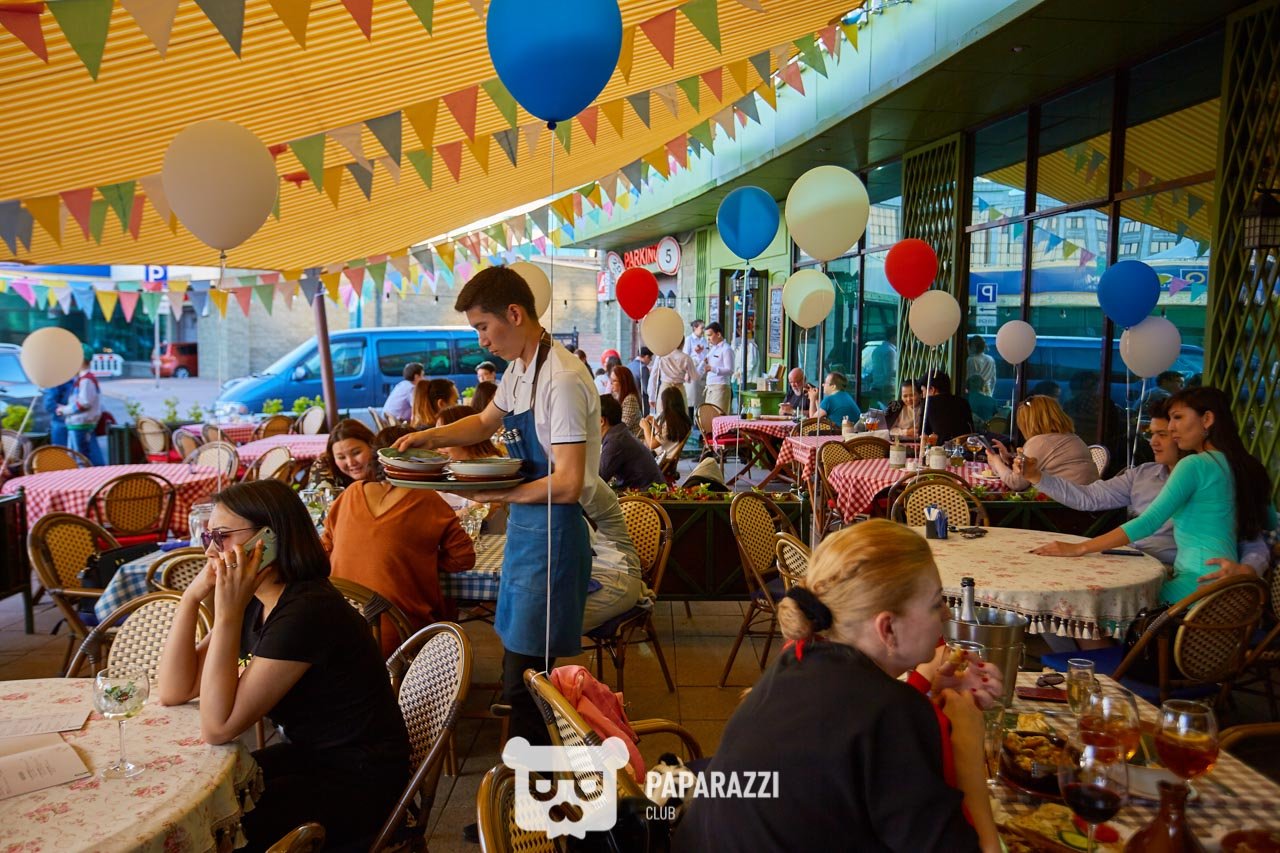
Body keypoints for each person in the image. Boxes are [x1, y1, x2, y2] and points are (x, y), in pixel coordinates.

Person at [674, 521, 1001, 853]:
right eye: (935, 602)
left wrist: (928, 691)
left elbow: (854, 738)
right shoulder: (893, 713)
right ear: (887, 628)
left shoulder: (798, 657)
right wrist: (968, 751)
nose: (945, 613)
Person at [393, 266, 597, 749]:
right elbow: (485, 422)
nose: (481, 341)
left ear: (515, 314)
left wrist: (497, 496)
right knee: (518, 668)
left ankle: (536, 787)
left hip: (555, 536)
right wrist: (429, 437)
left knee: (533, 682)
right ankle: (525, 782)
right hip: (527, 530)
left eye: (483, 327)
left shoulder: (563, 378)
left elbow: (568, 483)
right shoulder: (521, 369)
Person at [156, 480, 410, 849]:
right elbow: (174, 690)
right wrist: (192, 598)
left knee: (212, 825)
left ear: (269, 538)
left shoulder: (306, 611)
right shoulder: (257, 600)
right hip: (312, 756)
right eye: (209, 536)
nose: (211, 549)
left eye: (222, 536)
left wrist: (226, 614)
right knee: (197, 798)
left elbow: (218, 727)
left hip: (359, 780)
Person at [1032, 387, 1273, 604]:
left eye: (1178, 418)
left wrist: (1080, 548)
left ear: (1207, 419)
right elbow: (1269, 525)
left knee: (1099, 606)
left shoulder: (1194, 464)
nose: (1172, 427)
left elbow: (1149, 522)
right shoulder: (1235, 465)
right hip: (1229, 590)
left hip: (1197, 584)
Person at [322, 444, 476, 657]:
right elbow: (464, 559)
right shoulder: (427, 498)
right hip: (401, 637)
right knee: (446, 609)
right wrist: (420, 559)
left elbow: (324, 551)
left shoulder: (350, 493)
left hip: (339, 631)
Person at [986, 395, 1097, 491]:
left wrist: (996, 460)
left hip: (1058, 505)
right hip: (1086, 499)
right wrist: (1009, 458)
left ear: (1029, 422)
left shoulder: (1040, 442)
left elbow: (1017, 483)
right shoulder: (1074, 438)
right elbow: (1046, 463)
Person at [599, 395, 663, 491]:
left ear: (601, 421)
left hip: (646, 497)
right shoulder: (619, 433)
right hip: (649, 492)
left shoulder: (615, 441)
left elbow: (598, 479)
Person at [60, 344, 103, 465]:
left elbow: (84, 403)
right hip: (77, 423)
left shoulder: (86, 380)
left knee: (80, 457)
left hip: (81, 423)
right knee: (76, 456)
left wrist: (65, 410)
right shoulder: (83, 379)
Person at [307, 419, 378, 491]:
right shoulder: (324, 465)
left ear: (372, 446)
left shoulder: (384, 465)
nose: (351, 463)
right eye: (341, 457)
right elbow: (320, 496)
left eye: (356, 453)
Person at [641, 385, 693, 466]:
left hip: (661, 461)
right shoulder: (681, 420)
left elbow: (652, 444)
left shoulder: (669, 424)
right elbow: (666, 438)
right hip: (666, 459)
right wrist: (656, 426)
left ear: (666, 404)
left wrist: (646, 427)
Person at [920, 372, 974, 443]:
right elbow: (971, 429)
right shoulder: (963, 401)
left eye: (923, 391)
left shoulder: (928, 402)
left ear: (932, 389)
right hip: (965, 445)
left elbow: (923, 433)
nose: (922, 395)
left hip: (942, 447)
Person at [647, 343, 697, 418]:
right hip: (679, 389)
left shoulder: (661, 356)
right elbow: (695, 377)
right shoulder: (686, 357)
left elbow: (654, 376)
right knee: (681, 417)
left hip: (665, 388)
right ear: (682, 344)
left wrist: (652, 397)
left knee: (663, 416)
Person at [701, 322, 734, 413]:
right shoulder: (713, 349)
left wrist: (712, 369)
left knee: (718, 414)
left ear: (718, 334)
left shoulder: (726, 349)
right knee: (708, 416)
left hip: (720, 387)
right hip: (710, 386)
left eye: (710, 335)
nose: (708, 338)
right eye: (707, 336)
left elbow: (730, 370)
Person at [610, 363, 643, 437]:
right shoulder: (616, 396)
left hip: (634, 439)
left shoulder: (630, 399)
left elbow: (624, 425)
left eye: (614, 381)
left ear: (623, 382)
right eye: (611, 380)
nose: (611, 383)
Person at [42, 377, 74, 448]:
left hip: (76, 423)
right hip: (63, 423)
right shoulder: (56, 380)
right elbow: (49, 405)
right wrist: (70, 409)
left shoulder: (75, 379)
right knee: (62, 452)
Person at [683, 319, 707, 413]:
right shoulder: (689, 340)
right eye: (702, 328)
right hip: (692, 369)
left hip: (703, 370)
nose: (703, 330)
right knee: (691, 398)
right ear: (695, 328)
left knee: (701, 398)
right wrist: (686, 372)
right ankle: (690, 418)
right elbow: (686, 356)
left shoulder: (704, 340)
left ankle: (699, 418)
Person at [627, 347, 653, 411]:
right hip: (641, 402)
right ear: (647, 357)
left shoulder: (629, 365)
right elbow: (646, 389)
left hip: (629, 399)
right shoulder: (643, 368)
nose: (650, 361)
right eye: (650, 359)